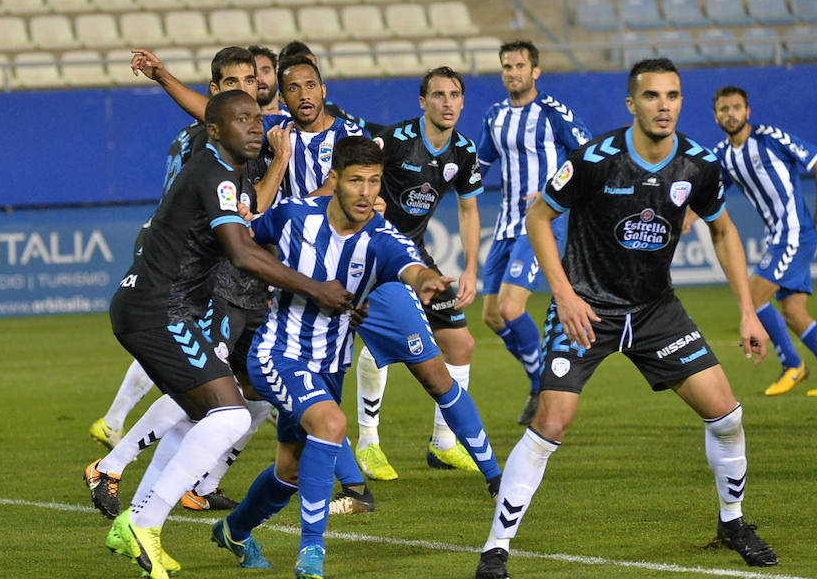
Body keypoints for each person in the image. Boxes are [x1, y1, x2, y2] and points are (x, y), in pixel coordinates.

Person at [475, 58, 778, 579]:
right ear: (631, 104)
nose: (664, 106)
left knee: (727, 416)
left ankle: (733, 522)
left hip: (657, 310)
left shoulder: (699, 165)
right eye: (652, 96)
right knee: (552, 423)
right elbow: (539, 217)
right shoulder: (596, 158)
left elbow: (723, 231)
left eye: (673, 96)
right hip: (589, 309)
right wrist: (565, 296)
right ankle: (496, 548)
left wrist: (748, 311)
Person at [103, 90, 352, 579]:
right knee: (231, 415)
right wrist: (314, 287)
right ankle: (143, 521)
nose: (255, 127)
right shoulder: (213, 171)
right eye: (241, 120)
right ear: (214, 130)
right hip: (160, 310)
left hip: (165, 308)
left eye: (257, 118)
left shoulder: (230, 172)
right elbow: (240, 250)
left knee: (202, 416)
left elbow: (249, 227)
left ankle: (133, 520)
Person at [210, 136, 465, 579]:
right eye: (355, 181)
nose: (366, 192)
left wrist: (425, 280)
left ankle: (234, 529)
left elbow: (411, 264)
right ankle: (312, 551)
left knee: (290, 469)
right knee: (331, 424)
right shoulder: (294, 216)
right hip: (279, 353)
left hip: (331, 364)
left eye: (374, 181)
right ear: (336, 181)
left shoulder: (382, 235)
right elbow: (247, 240)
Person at [87, 46, 275, 513]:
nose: (244, 91)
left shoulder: (228, 135)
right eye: (233, 84)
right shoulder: (217, 142)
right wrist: (163, 76)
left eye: (251, 81)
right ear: (214, 97)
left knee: (241, 388)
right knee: (207, 383)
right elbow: (248, 212)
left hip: (219, 271)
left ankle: (180, 481)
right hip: (206, 271)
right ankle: (118, 468)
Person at [354, 67, 483, 480]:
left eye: (455, 95)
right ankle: (368, 442)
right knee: (382, 343)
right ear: (422, 102)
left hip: (415, 253)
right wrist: (368, 202)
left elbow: (468, 209)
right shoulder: (395, 140)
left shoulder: (463, 151)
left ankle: (444, 444)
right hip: (375, 250)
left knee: (460, 343)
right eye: (439, 95)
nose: (447, 102)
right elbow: (358, 176)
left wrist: (471, 270)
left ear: (463, 102)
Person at [691, 86, 817, 397]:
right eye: (724, 109)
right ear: (715, 116)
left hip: (794, 232)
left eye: (737, 107)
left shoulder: (769, 138)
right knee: (794, 313)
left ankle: (792, 365)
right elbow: (709, 194)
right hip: (776, 237)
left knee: (751, 297)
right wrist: (688, 217)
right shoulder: (724, 156)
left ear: (747, 111)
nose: (731, 114)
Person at [477, 40, 592, 425]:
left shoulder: (552, 112)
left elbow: (588, 155)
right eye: (507, 66)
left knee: (512, 307)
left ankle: (546, 385)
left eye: (520, 66)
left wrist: (551, 191)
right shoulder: (494, 116)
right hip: (505, 223)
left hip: (542, 222)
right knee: (492, 316)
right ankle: (537, 382)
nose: (513, 72)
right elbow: (478, 165)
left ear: (535, 72)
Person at [248, 44, 280, 115]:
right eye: (254, 73)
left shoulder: (293, 118)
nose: (259, 79)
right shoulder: (237, 122)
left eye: (266, 71)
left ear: (276, 76)